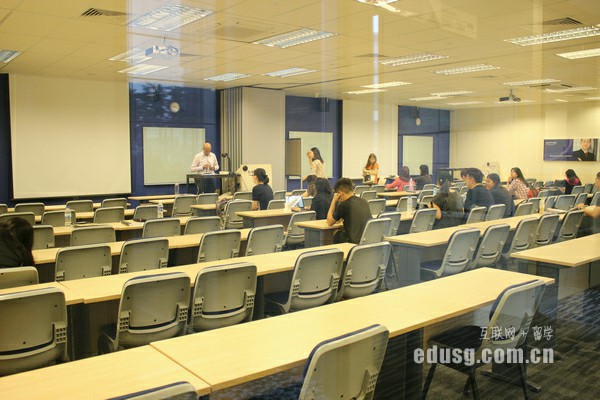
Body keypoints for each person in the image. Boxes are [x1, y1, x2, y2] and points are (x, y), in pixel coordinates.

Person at [327, 178, 371, 243]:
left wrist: (333, 200)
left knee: (335, 232)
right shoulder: (364, 201)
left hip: (353, 242)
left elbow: (329, 222)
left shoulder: (344, 205)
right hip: (367, 240)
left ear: (340, 193)